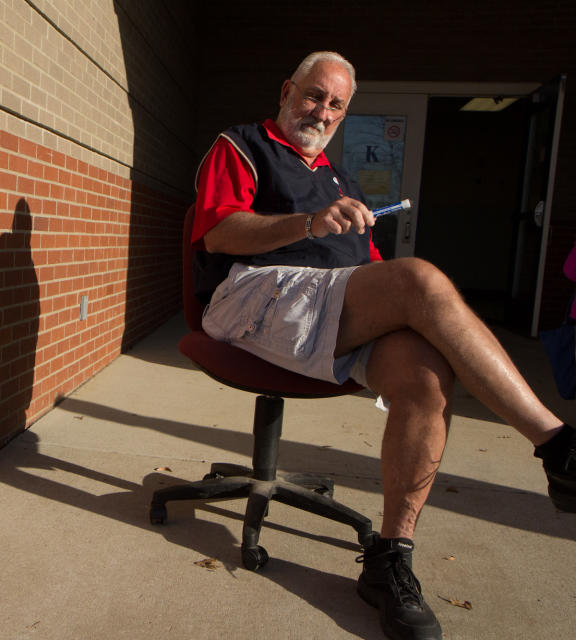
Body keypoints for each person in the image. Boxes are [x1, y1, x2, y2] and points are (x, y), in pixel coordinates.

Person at [193, 50, 576, 640]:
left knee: (425, 375)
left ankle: (390, 559)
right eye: (314, 95)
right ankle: (558, 445)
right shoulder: (242, 145)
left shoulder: (340, 178)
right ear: (287, 89)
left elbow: (366, 270)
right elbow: (219, 231)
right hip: (250, 296)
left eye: (336, 104)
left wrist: (414, 313)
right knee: (418, 278)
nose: (322, 111)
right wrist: (310, 223)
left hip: (326, 309)